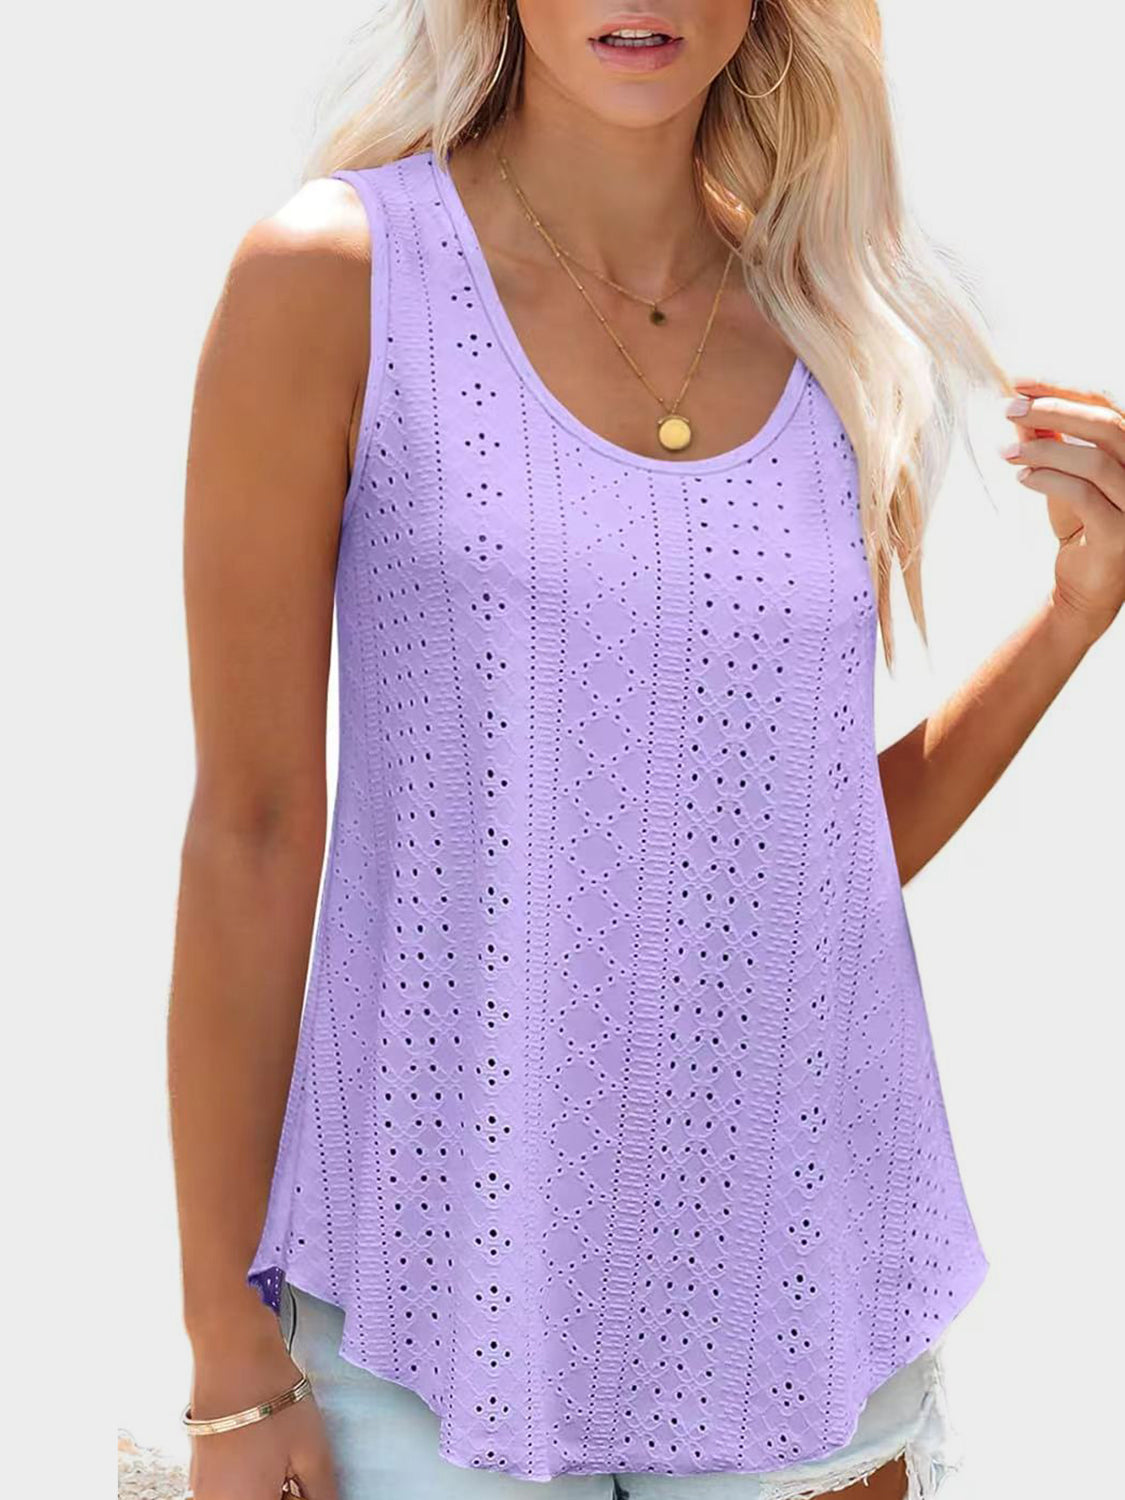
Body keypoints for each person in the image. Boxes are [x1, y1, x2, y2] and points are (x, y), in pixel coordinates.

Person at [167, 2, 1125, 1498]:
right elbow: (254, 829)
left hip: (797, 1307)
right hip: (427, 1308)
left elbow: (802, 855)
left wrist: (1073, 617)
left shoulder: (826, 319)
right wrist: (228, 1359)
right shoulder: (339, 277)